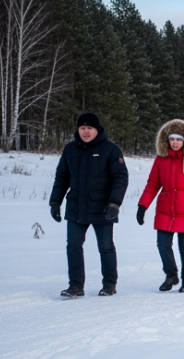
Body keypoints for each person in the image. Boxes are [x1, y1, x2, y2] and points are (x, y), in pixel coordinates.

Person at [49, 112, 129, 297]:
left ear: (97, 129)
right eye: (82, 128)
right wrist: (55, 201)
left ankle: (109, 283)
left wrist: (115, 202)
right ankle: (76, 286)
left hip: (103, 207)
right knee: (73, 245)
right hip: (76, 206)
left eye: (89, 128)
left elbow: (120, 177)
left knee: (105, 246)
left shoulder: (111, 150)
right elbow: (62, 177)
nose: (86, 131)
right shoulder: (70, 149)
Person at [135, 119, 184, 292]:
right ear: (167, 140)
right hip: (166, 209)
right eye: (172, 138)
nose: (175, 142)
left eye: (179, 139)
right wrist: (142, 206)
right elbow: (153, 184)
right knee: (162, 244)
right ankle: (171, 275)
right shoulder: (161, 160)